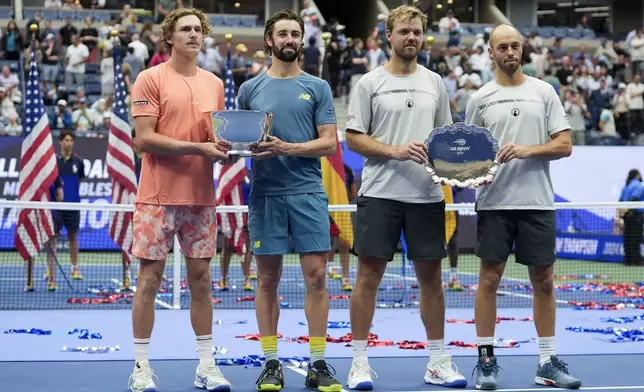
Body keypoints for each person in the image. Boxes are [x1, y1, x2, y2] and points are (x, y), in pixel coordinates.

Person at [345, 5, 467, 389]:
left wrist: (467, 169)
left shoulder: (434, 82)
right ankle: (359, 361)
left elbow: (445, 141)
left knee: (432, 279)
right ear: (388, 35)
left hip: (427, 195)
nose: (411, 37)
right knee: (368, 277)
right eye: (404, 32)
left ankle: (437, 361)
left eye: (417, 32)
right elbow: (354, 137)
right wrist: (396, 150)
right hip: (380, 194)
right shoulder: (368, 83)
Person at [464, 24, 581, 390]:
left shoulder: (544, 92)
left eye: (515, 45)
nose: (510, 52)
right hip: (495, 204)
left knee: (544, 282)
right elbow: (469, 156)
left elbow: (564, 145)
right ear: (491, 52)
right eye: (503, 47)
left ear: (522, 48)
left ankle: (547, 362)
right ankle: (485, 361)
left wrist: (526, 150)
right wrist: (474, 175)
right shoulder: (479, 98)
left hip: (537, 203)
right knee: (488, 280)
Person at [127, 8, 233, 392]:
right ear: (168, 37)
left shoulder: (215, 83)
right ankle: (140, 366)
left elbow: (215, 138)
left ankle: (206, 365)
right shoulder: (149, 78)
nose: (192, 34)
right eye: (184, 29)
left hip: (202, 198)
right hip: (156, 198)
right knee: (149, 281)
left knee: (202, 282)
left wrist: (230, 147)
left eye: (198, 30)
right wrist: (199, 147)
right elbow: (144, 139)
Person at [237, 9, 340, 392]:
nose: (290, 40)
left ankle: (318, 363)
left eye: (295, 34)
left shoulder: (318, 87)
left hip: (308, 193)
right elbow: (239, 142)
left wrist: (289, 147)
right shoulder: (249, 89)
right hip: (265, 195)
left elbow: (329, 142)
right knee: (267, 280)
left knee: (316, 278)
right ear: (269, 40)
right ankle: (270, 363)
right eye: (282, 34)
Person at [44, 131, 86, 289]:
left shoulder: (79, 162)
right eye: (66, 140)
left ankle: (75, 268)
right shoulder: (53, 161)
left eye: (71, 140)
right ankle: (50, 271)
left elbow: (79, 180)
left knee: (73, 236)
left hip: (73, 205)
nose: (69, 143)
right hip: (56, 206)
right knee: (52, 238)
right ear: (60, 142)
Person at [24, 175, 64, 292]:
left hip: (32, 213)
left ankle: (29, 282)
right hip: (50, 215)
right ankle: (52, 282)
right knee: (52, 247)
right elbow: (61, 197)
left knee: (30, 246)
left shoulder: (30, 173)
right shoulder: (54, 174)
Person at [618, 169, 644, 266]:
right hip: (635, 215)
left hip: (627, 217)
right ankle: (635, 260)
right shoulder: (638, 185)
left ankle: (628, 260)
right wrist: (628, 211)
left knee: (627, 237)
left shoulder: (626, 186)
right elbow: (635, 198)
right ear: (637, 175)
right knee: (635, 238)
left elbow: (620, 200)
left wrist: (622, 214)